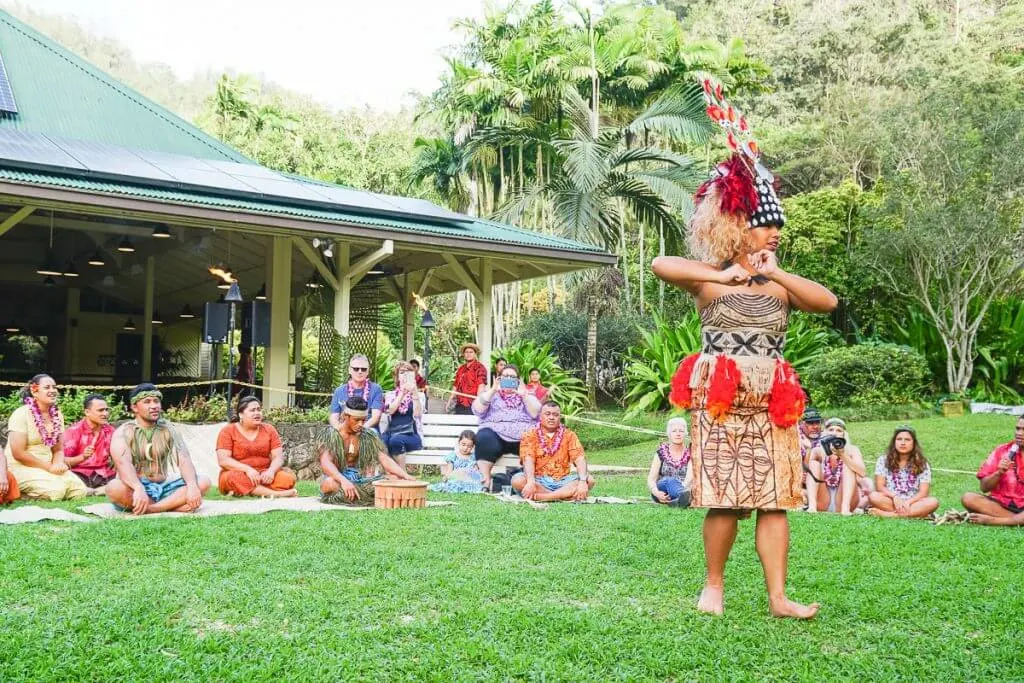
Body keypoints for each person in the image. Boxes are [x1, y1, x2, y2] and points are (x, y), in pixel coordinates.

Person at [651, 80, 837, 619]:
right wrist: (726, 273)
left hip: (771, 400)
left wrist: (776, 271)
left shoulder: (782, 284)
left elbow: (825, 301)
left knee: (775, 496)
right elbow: (663, 266)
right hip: (724, 398)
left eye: (777, 229)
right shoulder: (710, 280)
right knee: (727, 495)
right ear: (737, 230)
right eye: (765, 230)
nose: (774, 235)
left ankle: (779, 597)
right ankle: (714, 585)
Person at [105, 383, 211, 515]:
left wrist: (192, 486)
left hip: (165, 487)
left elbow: (184, 459)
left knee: (203, 481)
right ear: (134, 407)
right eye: (147, 402)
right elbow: (123, 463)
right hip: (135, 488)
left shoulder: (169, 430)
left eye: (156, 401)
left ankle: (152, 509)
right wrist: (138, 487)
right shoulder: (125, 432)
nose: (154, 406)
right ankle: (171, 505)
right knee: (114, 488)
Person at [317, 396, 415, 506]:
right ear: (345, 416)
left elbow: (384, 459)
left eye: (363, 420)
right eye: (356, 420)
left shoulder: (366, 436)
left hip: (360, 480)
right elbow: (325, 463)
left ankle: (358, 494)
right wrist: (343, 481)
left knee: (394, 479)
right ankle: (364, 495)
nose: (361, 424)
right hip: (337, 479)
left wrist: (405, 475)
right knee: (330, 483)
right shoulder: (331, 435)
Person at [4, 374, 87, 501]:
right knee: (55, 491)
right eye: (47, 387)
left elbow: (58, 450)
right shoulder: (21, 414)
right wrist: (49, 468)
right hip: (21, 466)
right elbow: (18, 453)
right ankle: (18, 494)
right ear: (34, 390)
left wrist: (58, 463)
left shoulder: (57, 415)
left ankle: (48, 483)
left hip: (49, 465)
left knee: (79, 491)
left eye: (54, 387)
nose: (52, 391)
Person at [472, 364, 541, 489]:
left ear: (518, 380)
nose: (508, 379)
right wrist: (493, 390)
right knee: (483, 437)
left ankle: (530, 481)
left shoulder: (528, 395)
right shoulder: (491, 394)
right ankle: (485, 481)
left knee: (532, 440)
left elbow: (535, 412)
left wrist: (523, 395)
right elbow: (478, 410)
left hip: (522, 438)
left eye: (512, 377)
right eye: (505, 376)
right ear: (499, 378)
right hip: (495, 435)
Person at [216, 396, 297, 498]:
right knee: (232, 478)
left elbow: (278, 457)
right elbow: (223, 460)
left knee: (287, 479)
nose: (257, 413)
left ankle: (250, 490)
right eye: (252, 410)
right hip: (239, 473)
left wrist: (270, 472)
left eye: (259, 410)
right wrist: (248, 470)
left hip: (264, 474)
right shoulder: (228, 431)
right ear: (241, 414)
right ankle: (276, 494)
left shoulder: (269, 429)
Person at [512, 401, 594, 502]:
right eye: (548, 414)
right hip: (538, 480)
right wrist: (530, 481)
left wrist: (582, 481)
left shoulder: (569, 435)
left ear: (560, 417)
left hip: (563, 480)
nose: (551, 417)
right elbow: (528, 459)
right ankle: (563, 496)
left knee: (589, 480)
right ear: (540, 416)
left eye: (555, 415)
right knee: (517, 481)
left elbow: (579, 457)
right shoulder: (529, 435)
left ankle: (545, 497)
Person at [961, 416, 1024, 526]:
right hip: (1003, 504)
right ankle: (1017, 520)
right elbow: (984, 488)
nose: (1019, 433)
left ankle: (996, 521)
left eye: (1023, 430)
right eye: (1018, 428)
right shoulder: (1002, 451)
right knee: (969, 498)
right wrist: (998, 473)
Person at [867, 426, 939, 519]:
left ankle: (890, 515)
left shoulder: (922, 463)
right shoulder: (883, 460)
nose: (903, 443)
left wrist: (908, 502)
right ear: (894, 442)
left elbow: (923, 492)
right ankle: (915, 514)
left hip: (913, 502)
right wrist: (895, 497)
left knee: (933, 502)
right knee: (874, 496)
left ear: (914, 443)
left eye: (907, 440)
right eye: (899, 439)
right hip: (891, 500)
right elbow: (880, 487)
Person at [804, 418, 869, 514]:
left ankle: (845, 509)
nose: (834, 433)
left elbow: (862, 473)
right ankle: (812, 507)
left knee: (848, 466)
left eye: (839, 430)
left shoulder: (853, 450)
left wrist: (843, 455)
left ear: (844, 434)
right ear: (825, 433)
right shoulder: (817, 451)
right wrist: (809, 449)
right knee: (814, 464)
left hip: (845, 500)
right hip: (822, 500)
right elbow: (807, 474)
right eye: (831, 430)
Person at [62, 393, 117, 495]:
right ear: (87, 412)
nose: (105, 413)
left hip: (104, 474)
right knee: (65, 477)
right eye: (101, 410)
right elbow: (62, 461)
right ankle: (98, 490)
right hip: (80, 475)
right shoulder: (73, 431)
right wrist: (82, 457)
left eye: (106, 410)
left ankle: (93, 491)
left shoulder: (110, 431)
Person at [381, 361, 424, 467]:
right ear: (397, 377)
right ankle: (389, 475)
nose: (405, 375)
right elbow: (390, 410)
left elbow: (417, 414)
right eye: (402, 372)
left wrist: (414, 393)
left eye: (408, 372)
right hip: (392, 432)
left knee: (395, 441)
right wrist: (402, 393)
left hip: (411, 435)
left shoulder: (420, 396)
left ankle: (402, 476)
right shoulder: (390, 395)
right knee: (382, 441)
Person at [329, 353, 384, 433]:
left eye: (363, 369)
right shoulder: (339, 391)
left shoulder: (376, 389)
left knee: (372, 433)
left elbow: (376, 417)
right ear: (349, 370)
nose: (360, 372)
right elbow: (334, 416)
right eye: (356, 369)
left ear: (368, 371)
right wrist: (340, 429)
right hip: (344, 428)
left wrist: (360, 428)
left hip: (366, 428)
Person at [648, 417, 691, 507]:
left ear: (685, 434)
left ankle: (677, 501)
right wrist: (656, 492)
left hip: (684, 487)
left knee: (688, 488)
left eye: (681, 431)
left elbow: (688, 480)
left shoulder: (691, 453)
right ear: (669, 434)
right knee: (669, 480)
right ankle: (684, 498)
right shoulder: (661, 452)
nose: (678, 434)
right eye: (674, 431)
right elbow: (651, 479)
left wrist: (687, 488)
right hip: (662, 490)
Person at [447, 343, 487, 415]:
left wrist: (478, 403)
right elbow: (456, 385)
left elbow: (481, 386)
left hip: (473, 404)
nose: (468, 354)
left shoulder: (480, 368)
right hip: (459, 404)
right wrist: (450, 400)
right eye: (466, 352)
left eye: (471, 352)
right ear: (464, 354)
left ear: (475, 354)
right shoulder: (461, 368)